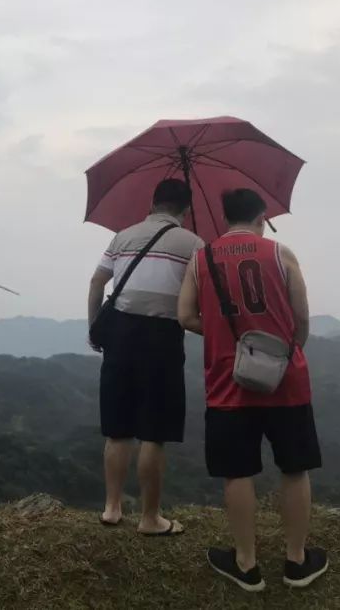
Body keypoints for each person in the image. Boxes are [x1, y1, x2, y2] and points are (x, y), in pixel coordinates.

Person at [177, 188, 327, 592]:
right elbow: (301, 319)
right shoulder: (281, 254)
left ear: (225, 218)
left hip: (228, 381)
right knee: (295, 468)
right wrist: (283, 351)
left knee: (237, 472)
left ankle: (246, 565)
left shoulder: (201, 258)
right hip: (286, 379)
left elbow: (185, 315)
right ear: (262, 218)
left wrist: (224, 336)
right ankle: (297, 562)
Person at [87, 178, 203, 535]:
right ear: (186, 210)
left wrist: (95, 327)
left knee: (117, 430)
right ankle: (150, 518)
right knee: (153, 433)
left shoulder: (122, 236)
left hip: (119, 334)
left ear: (152, 204)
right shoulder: (194, 244)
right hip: (162, 337)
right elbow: (200, 298)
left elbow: (97, 283)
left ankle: (111, 507)